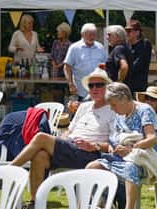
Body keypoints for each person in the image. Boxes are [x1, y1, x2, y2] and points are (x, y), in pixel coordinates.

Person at [11, 67, 114, 209]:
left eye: (99, 85)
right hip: (71, 147)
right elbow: (70, 129)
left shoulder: (112, 110)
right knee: (40, 155)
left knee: (41, 137)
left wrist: (94, 145)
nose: (95, 88)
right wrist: (64, 137)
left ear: (107, 87)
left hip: (90, 153)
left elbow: (113, 144)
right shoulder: (84, 107)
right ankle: (35, 203)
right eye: (91, 85)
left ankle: (10, 172)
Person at [86, 82, 157, 209]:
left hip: (143, 157)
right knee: (92, 167)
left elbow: (152, 139)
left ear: (124, 98)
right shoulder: (119, 115)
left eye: (113, 105)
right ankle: (102, 204)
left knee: (129, 168)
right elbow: (116, 140)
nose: (112, 109)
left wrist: (131, 149)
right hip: (123, 156)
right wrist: (109, 147)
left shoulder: (144, 110)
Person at [64, 23, 107, 102]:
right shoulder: (74, 48)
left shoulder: (100, 47)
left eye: (94, 35)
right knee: (80, 112)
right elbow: (67, 67)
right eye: (89, 35)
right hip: (80, 91)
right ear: (82, 34)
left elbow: (106, 66)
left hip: (98, 90)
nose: (92, 37)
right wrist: (70, 83)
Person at [125, 20, 152, 93]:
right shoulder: (128, 46)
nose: (126, 33)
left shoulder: (145, 44)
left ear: (137, 32)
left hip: (138, 87)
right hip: (127, 86)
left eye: (129, 31)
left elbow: (139, 63)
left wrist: (123, 71)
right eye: (126, 30)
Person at [105, 25, 134, 90]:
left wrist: (119, 82)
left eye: (109, 35)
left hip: (117, 90)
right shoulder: (125, 48)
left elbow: (124, 67)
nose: (107, 38)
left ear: (118, 36)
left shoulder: (118, 49)